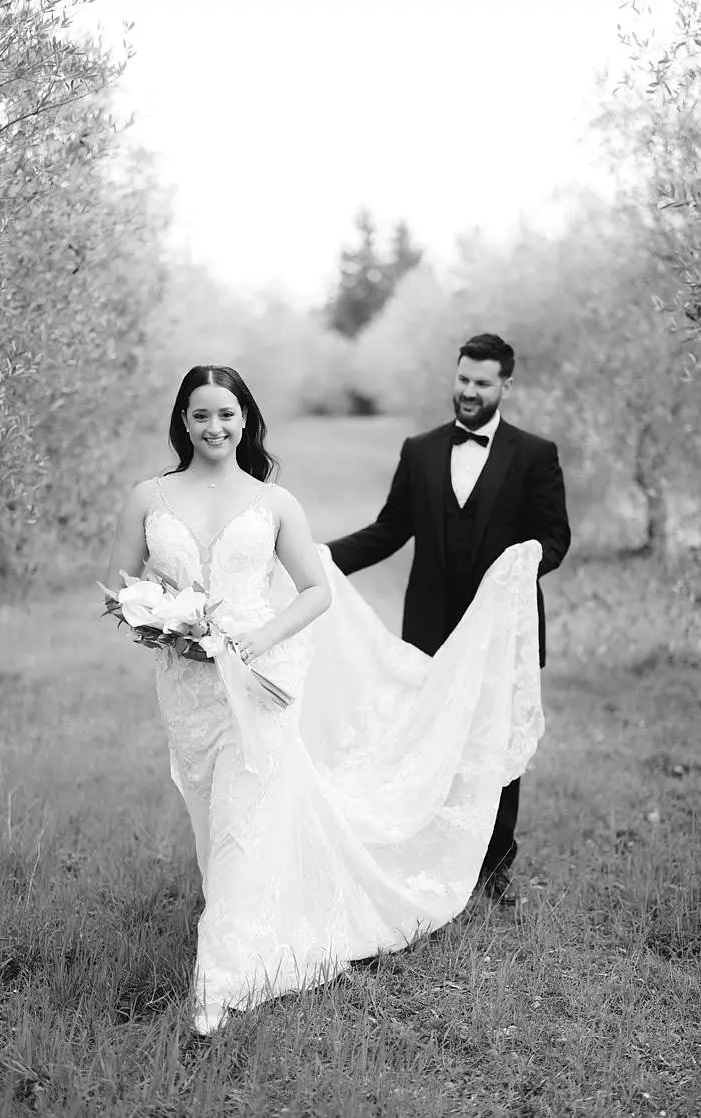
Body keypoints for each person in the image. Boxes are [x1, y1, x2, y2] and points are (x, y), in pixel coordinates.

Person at [105, 365, 547, 1034]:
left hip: (261, 680)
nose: (215, 426)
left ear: (246, 419)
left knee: (243, 814)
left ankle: (222, 981)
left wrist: (258, 638)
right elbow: (120, 585)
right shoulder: (148, 496)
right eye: (201, 415)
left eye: (227, 413)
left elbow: (315, 592)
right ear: (184, 422)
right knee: (212, 817)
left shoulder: (275, 503)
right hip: (187, 682)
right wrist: (156, 626)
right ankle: (256, 914)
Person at [327, 333, 570, 905]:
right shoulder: (420, 450)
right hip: (431, 628)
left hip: (503, 631)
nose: (469, 391)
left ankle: (493, 867)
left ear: (505, 385)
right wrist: (317, 560)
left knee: (496, 744)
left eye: (482, 383)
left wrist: (526, 559)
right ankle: (427, 846)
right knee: (432, 739)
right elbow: (388, 531)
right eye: (463, 379)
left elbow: (555, 536)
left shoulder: (535, 454)